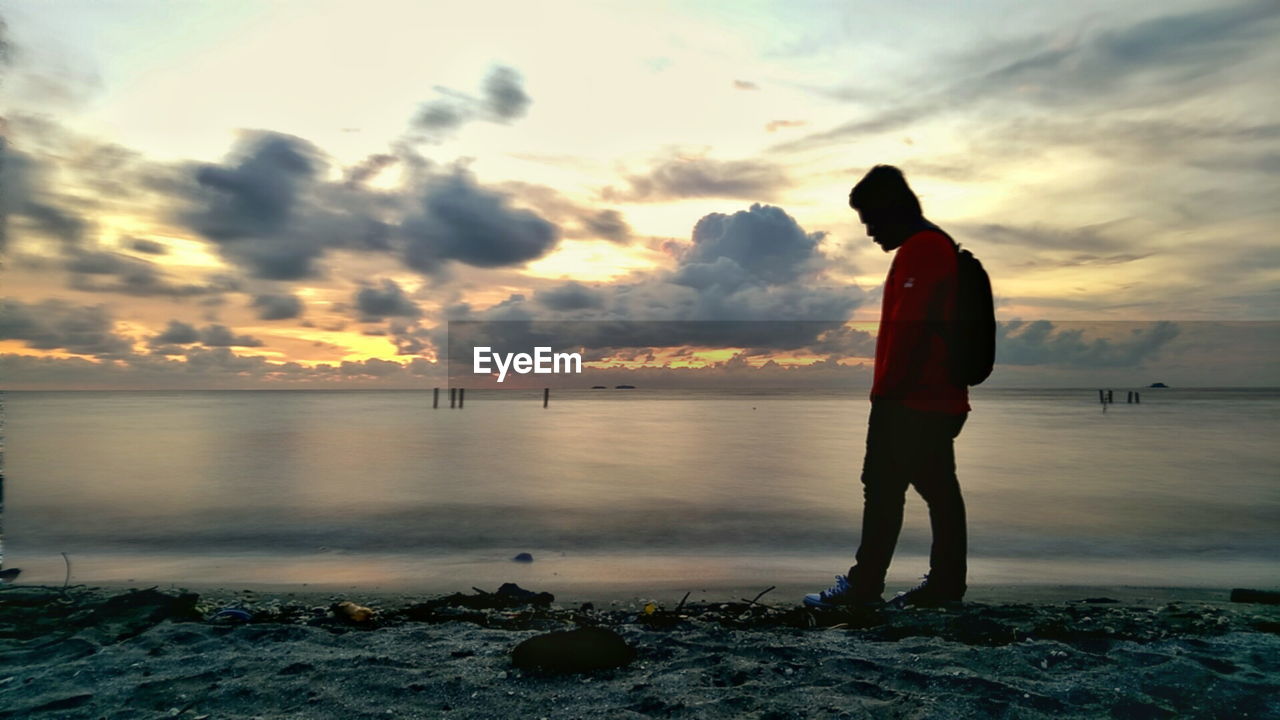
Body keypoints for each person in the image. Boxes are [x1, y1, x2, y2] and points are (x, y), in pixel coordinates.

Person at [806, 165, 971, 609]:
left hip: (911, 400)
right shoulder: (933, 247)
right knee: (937, 491)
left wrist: (886, 395)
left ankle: (865, 587)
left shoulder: (924, 250)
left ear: (892, 209)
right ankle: (944, 585)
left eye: (871, 220)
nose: (869, 232)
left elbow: (909, 331)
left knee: (882, 489)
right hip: (932, 398)